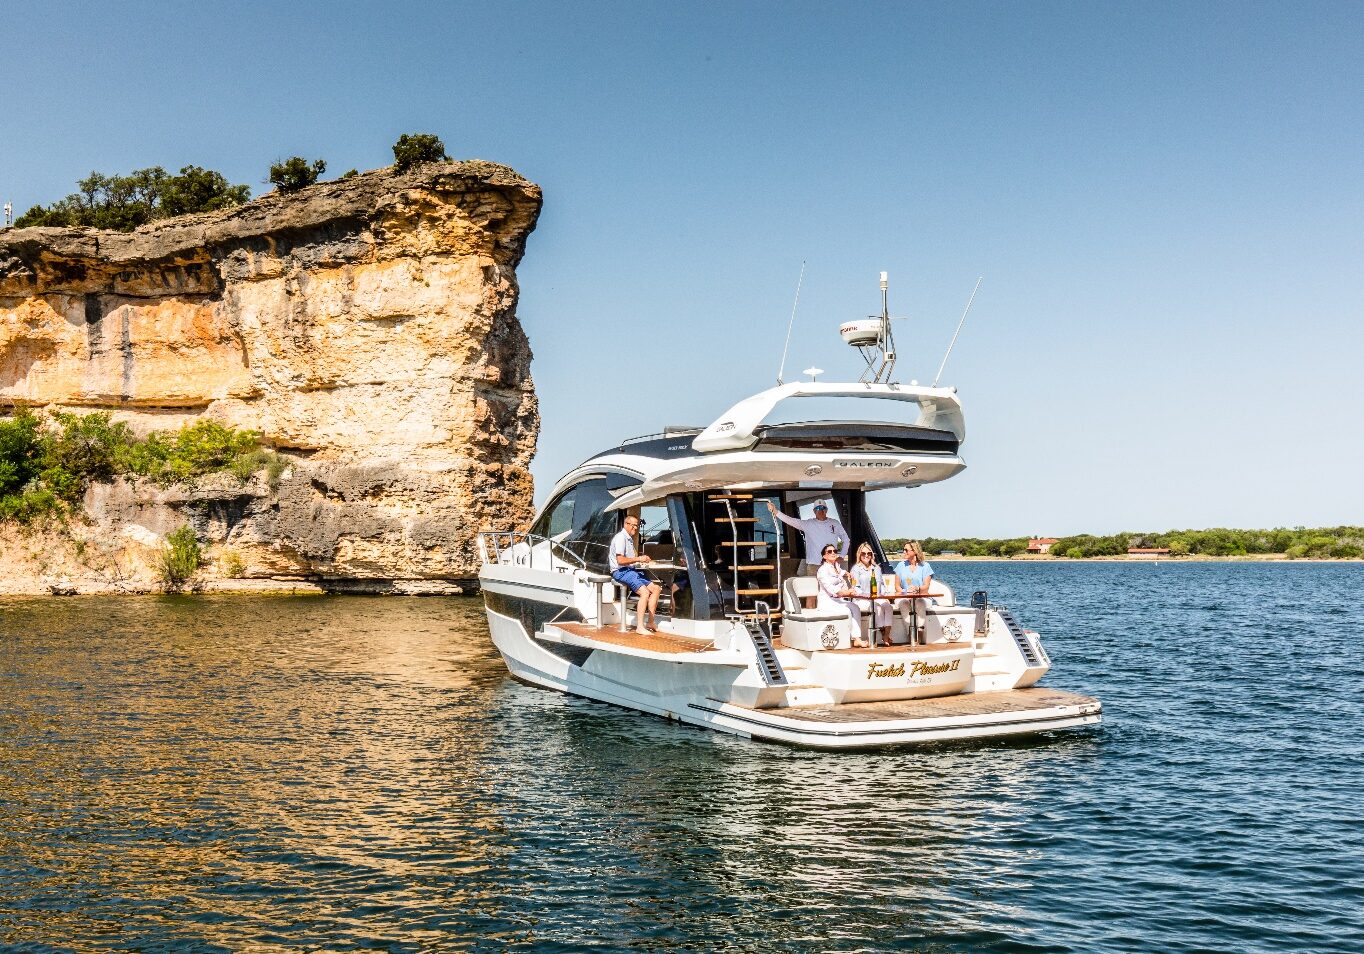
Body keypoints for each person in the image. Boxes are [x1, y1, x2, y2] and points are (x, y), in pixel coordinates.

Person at [608, 514, 663, 635]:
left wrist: (641, 561)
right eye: (633, 525)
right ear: (626, 524)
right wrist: (639, 559)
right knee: (645, 592)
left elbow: (630, 559)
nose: (636, 528)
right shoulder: (620, 538)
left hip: (630, 570)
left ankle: (651, 622)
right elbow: (620, 561)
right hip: (620, 571)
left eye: (637, 525)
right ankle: (639, 627)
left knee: (656, 588)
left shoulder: (628, 538)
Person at [765, 499, 848, 575]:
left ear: (826, 510)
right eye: (818, 508)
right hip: (813, 566)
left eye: (823, 508)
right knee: (813, 591)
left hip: (832, 565)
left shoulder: (835, 523)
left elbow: (846, 540)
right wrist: (775, 511)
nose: (821, 510)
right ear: (814, 511)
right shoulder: (808, 524)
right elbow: (790, 520)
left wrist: (842, 556)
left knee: (833, 590)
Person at [815, 543, 866, 648]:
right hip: (827, 601)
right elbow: (830, 588)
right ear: (824, 556)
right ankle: (846, 639)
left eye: (835, 551)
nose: (833, 553)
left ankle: (857, 638)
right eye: (829, 552)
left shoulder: (836, 566)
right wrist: (845, 592)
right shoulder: (822, 571)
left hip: (839, 600)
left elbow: (840, 572)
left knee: (855, 608)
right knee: (847, 611)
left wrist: (847, 573)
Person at [892, 541, 936, 645]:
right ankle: (910, 633)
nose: (904, 552)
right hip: (905, 596)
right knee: (903, 603)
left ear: (915, 551)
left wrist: (917, 589)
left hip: (922, 596)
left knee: (920, 602)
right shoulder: (900, 566)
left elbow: (926, 587)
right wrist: (905, 591)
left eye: (906, 550)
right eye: (903, 549)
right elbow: (897, 587)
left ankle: (919, 632)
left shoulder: (925, 566)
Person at [849, 542, 893, 646]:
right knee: (876, 607)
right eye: (863, 553)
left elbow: (881, 584)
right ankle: (875, 637)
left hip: (876, 597)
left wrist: (884, 596)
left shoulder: (876, 568)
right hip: (861, 599)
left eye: (869, 553)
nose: (866, 555)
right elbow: (856, 588)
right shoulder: (856, 569)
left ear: (871, 555)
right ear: (859, 555)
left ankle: (886, 635)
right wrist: (868, 596)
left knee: (888, 606)